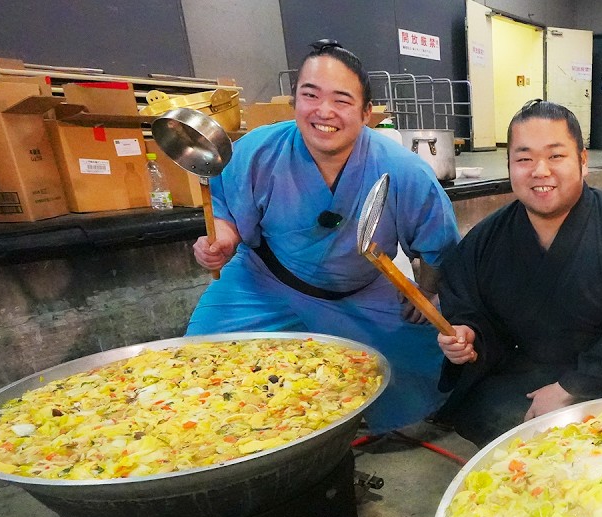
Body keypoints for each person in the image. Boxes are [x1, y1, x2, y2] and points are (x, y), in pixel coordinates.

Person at [186, 40, 460, 432]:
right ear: (295, 100)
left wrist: (429, 293)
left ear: (367, 113)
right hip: (261, 284)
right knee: (200, 369)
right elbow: (224, 206)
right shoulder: (258, 150)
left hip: (361, 292)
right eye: (309, 95)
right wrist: (223, 241)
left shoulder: (404, 170)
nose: (323, 111)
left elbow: (438, 247)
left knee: (423, 365)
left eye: (342, 100)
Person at [434, 100, 602, 446]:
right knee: (487, 410)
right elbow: (468, 305)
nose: (540, 170)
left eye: (556, 156)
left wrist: (571, 388)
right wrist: (467, 335)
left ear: (583, 161)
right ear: (509, 164)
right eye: (524, 158)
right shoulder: (488, 238)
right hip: (527, 374)